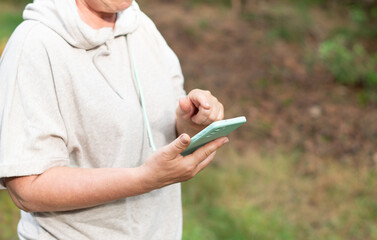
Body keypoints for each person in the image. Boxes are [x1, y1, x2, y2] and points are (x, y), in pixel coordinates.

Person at [0, 0, 228, 239]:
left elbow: (169, 126)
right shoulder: (34, 44)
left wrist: (190, 120)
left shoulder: (142, 28)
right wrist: (143, 179)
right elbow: (28, 188)